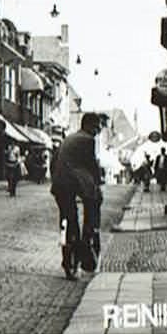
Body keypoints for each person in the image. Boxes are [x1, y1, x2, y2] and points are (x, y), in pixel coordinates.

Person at [51, 112, 105, 272]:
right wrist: (97, 184)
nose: (97, 130)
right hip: (73, 183)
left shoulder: (68, 138)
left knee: (67, 218)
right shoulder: (88, 140)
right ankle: (86, 244)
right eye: (96, 127)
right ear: (88, 125)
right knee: (92, 207)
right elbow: (91, 164)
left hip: (59, 184)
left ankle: (67, 255)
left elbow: (54, 161)